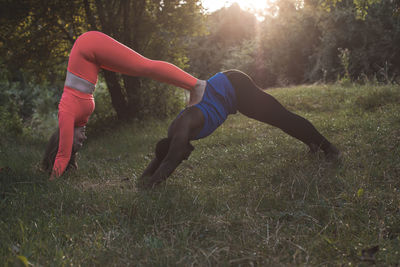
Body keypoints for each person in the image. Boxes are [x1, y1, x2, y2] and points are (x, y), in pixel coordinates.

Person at [42, 31, 206, 180]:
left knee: (144, 66)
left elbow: (62, 155)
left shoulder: (66, 112)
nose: (83, 138)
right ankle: (192, 85)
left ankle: (196, 85)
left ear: (66, 138)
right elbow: (65, 153)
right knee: (142, 68)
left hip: (88, 46)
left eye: (77, 143)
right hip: (92, 56)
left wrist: (51, 182)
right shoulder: (79, 120)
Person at [137, 70, 341, 189]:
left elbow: (170, 160)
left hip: (235, 87)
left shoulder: (181, 130)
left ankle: (330, 149)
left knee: (282, 117)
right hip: (230, 92)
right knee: (280, 119)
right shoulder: (172, 137)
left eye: (183, 156)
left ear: (177, 146)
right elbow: (162, 157)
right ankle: (312, 143)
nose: (186, 158)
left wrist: (150, 188)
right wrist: (144, 178)